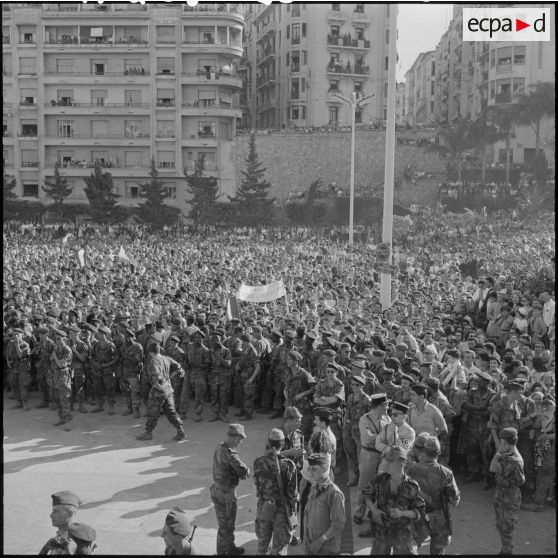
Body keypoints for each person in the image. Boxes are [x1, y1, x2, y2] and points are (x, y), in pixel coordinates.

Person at [363, 446, 425, 555]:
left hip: (402, 532)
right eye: (386, 460)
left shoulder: (411, 486)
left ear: (402, 463)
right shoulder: (380, 479)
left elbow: (419, 512)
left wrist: (402, 513)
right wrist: (374, 510)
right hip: (382, 530)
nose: (386, 463)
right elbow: (367, 496)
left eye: (390, 461)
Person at [408, 434, 460, 555]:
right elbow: (455, 500)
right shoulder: (446, 472)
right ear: (439, 452)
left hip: (417, 515)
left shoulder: (412, 469)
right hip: (439, 517)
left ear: (424, 451)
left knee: (411, 548)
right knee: (438, 551)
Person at [253, 428, 298, 555]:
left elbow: (257, 485)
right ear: (283, 444)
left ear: (269, 442)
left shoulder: (258, 462)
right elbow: (292, 495)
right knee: (279, 548)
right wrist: (293, 513)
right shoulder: (288, 465)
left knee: (263, 544)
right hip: (281, 510)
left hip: (264, 507)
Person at [210, 424, 251, 556]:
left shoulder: (219, 447)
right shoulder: (231, 454)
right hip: (227, 493)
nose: (241, 442)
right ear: (234, 438)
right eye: (240, 439)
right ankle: (222, 552)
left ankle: (230, 547)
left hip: (217, 489)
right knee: (226, 525)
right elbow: (243, 471)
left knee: (225, 523)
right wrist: (248, 470)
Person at [353, 392, 391, 534]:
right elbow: (368, 439)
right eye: (386, 405)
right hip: (369, 455)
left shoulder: (386, 418)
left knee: (380, 485)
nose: (388, 407)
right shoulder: (365, 419)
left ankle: (373, 512)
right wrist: (384, 437)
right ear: (379, 406)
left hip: (383, 456)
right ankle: (358, 512)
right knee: (365, 485)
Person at [136, 343, 186, 441]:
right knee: (171, 411)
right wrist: (168, 378)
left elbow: (156, 377)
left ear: (150, 352)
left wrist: (156, 384)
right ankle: (180, 430)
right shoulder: (166, 358)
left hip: (158, 390)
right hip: (168, 389)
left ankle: (148, 433)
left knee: (152, 412)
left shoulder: (152, 361)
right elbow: (179, 368)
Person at [490, 427, 525, 555]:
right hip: (502, 494)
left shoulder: (512, 459)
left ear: (504, 443)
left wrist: (498, 454)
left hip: (509, 497)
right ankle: (505, 550)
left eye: (501, 441)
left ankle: (507, 551)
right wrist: (499, 455)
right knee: (501, 525)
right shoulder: (509, 455)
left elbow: (493, 468)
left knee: (507, 527)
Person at [302, 453, 346, 555]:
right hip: (311, 545)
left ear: (324, 468)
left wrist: (320, 541)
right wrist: (306, 539)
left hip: (326, 549)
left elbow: (338, 525)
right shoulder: (314, 488)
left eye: (314, 469)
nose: (310, 472)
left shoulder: (334, 493)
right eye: (309, 468)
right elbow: (307, 514)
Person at [343, 373, 371, 486]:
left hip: (361, 431)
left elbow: (370, 417)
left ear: (362, 386)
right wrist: (345, 425)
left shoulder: (367, 400)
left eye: (357, 385)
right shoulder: (350, 397)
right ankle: (354, 476)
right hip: (350, 430)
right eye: (352, 385)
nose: (354, 387)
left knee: (360, 456)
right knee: (350, 454)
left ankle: (361, 479)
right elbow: (347, 412)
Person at [376, 401, 415, 474]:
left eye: (395, 415)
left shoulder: (410, 432)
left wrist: (395, 433)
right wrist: (389, 449)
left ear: (404, 416)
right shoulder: (387, 427)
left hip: (401, 465)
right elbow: (377, 444)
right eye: (391, 414)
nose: (392, 417)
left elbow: (403, 449)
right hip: (386, 462)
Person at [39, 490, 82, 555]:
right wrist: (46, 548)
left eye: (56, 511)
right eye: (53, 511)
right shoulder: (57, 538)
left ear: (70, 514)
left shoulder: (79, 541)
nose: (51, 515)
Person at [120, 328, 144, 418]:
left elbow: (138, 359)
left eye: (129, 337)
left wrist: (126, 356)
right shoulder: (123, 346)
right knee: (125, 391)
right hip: (124, 372)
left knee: (135, 392)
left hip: (134, 372)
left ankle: (136, 409)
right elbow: (121, 359)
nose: (127, 339)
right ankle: (129, 407)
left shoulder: (138, 346)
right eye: (126, 337)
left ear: (133, 337)